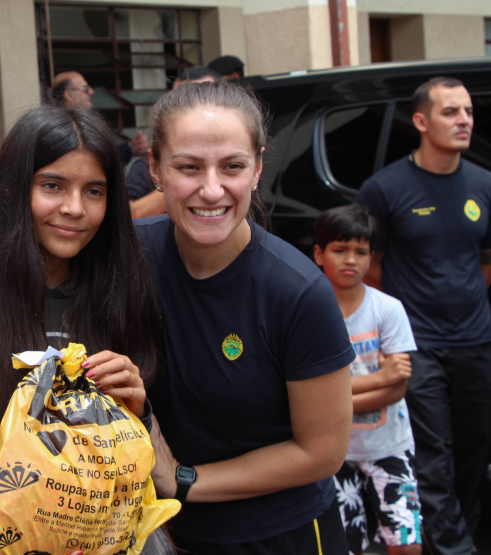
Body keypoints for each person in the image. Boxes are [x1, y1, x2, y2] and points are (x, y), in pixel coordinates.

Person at [136, 80, 354, 554]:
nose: (211, 189)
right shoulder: (129, 257)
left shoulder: (298, 293)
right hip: (158, 534)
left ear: (257, 168)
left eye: (232, 167)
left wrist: (183, 479)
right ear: (155, 168)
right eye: (188, 167)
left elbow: (322, 452)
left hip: (278, 535)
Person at [0, 104, 172, 553]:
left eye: (94, 191)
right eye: (52, 186)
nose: (74, 209)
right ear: (17, 189)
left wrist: (138, 406)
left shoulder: (120, 289)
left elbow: (136, 464)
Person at [355, 76, 491, 555]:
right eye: (451, 111)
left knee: (476, 454)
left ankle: (461, 537)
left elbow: (487, 265)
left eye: (468, 112)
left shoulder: (486, 185)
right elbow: (370, 268)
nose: (464, 121)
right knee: (433, 460)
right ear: (421, 121)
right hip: (418, 346)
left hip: (477, 341)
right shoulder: (385, 188)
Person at [313, 204, 422, 555]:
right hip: (333, 454)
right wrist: (380, 377)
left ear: (372, 257)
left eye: (361, 252)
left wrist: (333, 402)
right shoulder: (309, 313)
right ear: (319, 254)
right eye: (339, 249)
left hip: (389, 448)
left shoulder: (387, 309)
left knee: (405, 544)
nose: (350, 260)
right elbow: (312, 393)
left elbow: (398, 386)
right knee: (344, 545)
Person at [128, 67, 220, 220]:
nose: (211, 192)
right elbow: (129, 217)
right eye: (181, 102)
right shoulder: (144, 169)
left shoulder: (242, 164)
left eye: (232, 166)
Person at [51, 71, 149, 165]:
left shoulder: (88, 122)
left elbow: (103, 160)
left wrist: (130, 147)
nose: (91, 91)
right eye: (85, 89)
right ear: (68, 95)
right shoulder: (54, 127)